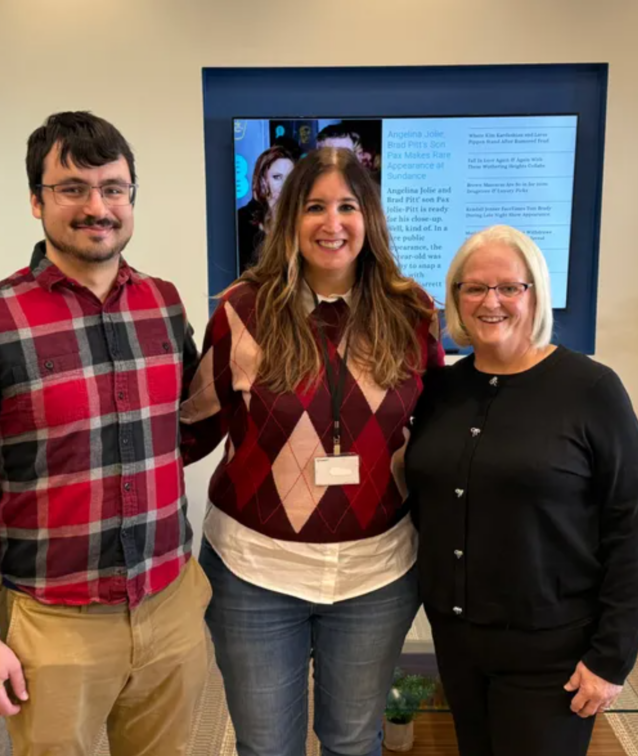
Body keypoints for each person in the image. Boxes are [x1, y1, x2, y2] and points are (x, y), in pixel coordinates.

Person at [0, 111, 210, 756]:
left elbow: (180, 434)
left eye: (114, 188)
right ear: (35, 200)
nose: (97, 206)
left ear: (131, 197)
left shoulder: (162, 305)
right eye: (72, 188)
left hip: (169, 605)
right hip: (54, 624)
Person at [181, 147, 444, 756]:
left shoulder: (413, 313)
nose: (332, 223)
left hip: (376, 573)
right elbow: (191, 427)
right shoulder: (243, 312)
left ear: (369, 218)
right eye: (314, 206)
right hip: (254, 571)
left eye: (347, 206)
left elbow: (435, 431)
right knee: (267, 745)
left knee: (354, 741)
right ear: (287, 218)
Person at [405, 225, 638, 756]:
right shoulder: (441, 390)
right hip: (457, 639)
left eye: (508, 287)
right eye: (473, 288)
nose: (489, 301)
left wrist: (611, 658)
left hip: (553, 649)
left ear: (535, 294)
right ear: (455, 299)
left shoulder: (590, 389)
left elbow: (631, 525)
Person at [238, 144, 296, 270]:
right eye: (277, 177)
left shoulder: (301, 220)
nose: (285, 185)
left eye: (290, 178)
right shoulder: (240, 221)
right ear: (262, 181)